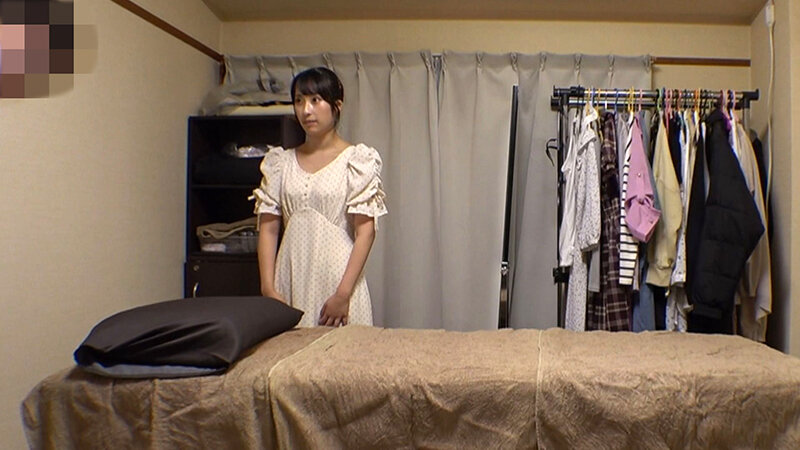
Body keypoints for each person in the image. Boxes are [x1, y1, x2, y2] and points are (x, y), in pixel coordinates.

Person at [252, 67, 387, 327]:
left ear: (337, 106)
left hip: (339, 283)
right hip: (290, 278)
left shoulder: (357, 161)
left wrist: (343, 295)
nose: (306, 110)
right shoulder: (280, 163)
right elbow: (268, 229)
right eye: (299, 101)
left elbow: (366, 232)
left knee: (343, 351)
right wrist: (268, 288)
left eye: (315, 100)